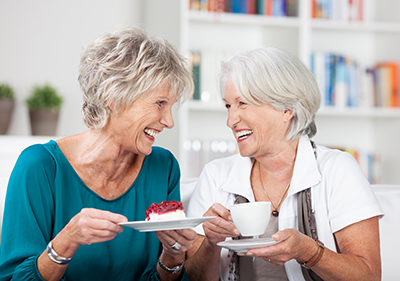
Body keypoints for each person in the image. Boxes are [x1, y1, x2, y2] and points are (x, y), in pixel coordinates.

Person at [0, 26, 196, 281]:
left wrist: (173, 255)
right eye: (160, 103)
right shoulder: (40, 167)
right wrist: (66, 242)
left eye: (171, 106)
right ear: (113, 97)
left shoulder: (164, 167)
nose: (169, 121)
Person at [185, 46, 383, 281]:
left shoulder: (338, 169)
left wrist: (309, 252)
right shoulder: (215, 175)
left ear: (287, 108)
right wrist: (211, 243)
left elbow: (368, 276)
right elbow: (193, 278)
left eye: (243, 103)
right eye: (228, 106)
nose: (231, 120)